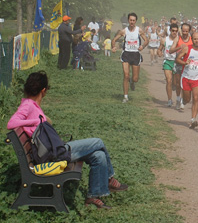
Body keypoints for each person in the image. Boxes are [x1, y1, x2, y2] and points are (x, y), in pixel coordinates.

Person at [7, 71, 128, 209]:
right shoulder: (28, 105)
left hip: (54, 150)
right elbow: (11, 123)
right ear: (44, 90)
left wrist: (39, 120)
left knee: (98, 155)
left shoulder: (31, 105)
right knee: (98, 142)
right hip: (54, 155)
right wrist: (39, 121)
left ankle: (93, 197)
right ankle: (109, 179)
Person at [112, 13, 149, 103]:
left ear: (135, 21)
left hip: (135, 55)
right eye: (130, 20)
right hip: (126, 54)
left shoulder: (139, 30)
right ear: (128, 21)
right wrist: (113, 47)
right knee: (126, 75)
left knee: (135, 78)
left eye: (133, 20)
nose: (132, 22)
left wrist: (142, 46)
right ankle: (125, 97)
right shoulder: (124, 31)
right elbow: (114, 40)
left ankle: (132, 82)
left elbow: (146, 40)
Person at [176, 32, 198, 129]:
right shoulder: (187, 48)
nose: (196, 41)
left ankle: (193, 119)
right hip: (186, 77)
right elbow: (177, 59)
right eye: (195, 39)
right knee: (187, 99)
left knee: (196, 98)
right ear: (192, 39)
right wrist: (184, 62)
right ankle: (183, 101)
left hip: (197, 77)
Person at [159, 23, 181, 107]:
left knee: (175, 83)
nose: (174, 32)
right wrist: (159, 52)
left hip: (176, 62)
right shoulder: (164, 40)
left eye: (176, 31)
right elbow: (159, 49)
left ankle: (176, 93)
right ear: (170, 31)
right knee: (168, 80)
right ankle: (169, 100)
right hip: (167, 61)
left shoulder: (179, 40)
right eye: (173, 31)